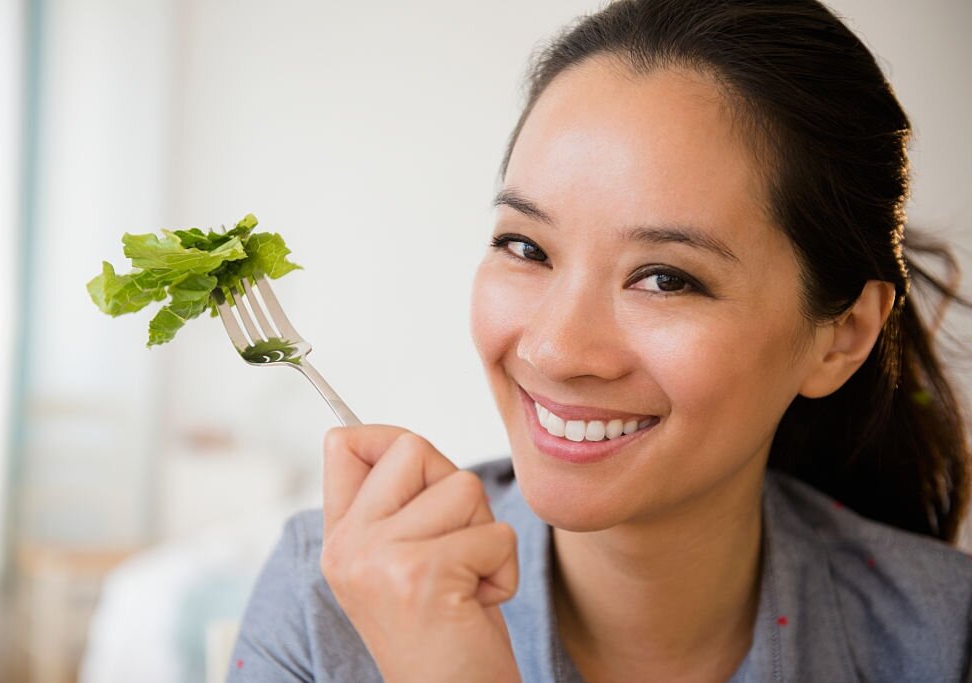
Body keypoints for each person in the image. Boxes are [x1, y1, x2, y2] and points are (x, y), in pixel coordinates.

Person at [228, 1, 972, 680]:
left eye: (666, 278)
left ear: (841, 336)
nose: (553, 349)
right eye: (526, 247)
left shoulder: (945, 637)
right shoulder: (324, 605)